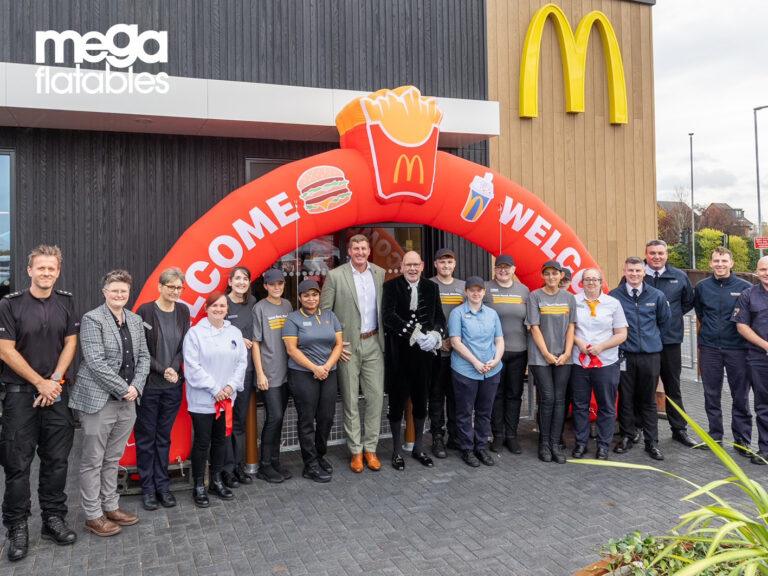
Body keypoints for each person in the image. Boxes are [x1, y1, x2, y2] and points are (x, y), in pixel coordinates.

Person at [0, 245, 79, 560]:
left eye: (51, 268)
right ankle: (17, 527)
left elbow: (70, 342)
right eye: (41, 268)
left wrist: (55, 381)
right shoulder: (10, 304)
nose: (46, 273)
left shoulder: (66, 302)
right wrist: (39, 382)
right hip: (20, 397)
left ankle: (53, 519)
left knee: (57, 461)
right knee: (17, 465)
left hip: (56, 395)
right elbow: (5, 350)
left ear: (58, 272)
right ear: (29, 270)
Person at [69, 270, 150, 536]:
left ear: (129, 293)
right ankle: (93, 515)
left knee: (113, 458)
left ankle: (111, 506)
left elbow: (144, 357)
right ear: (105, 292)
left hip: (128, 401)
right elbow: (95, 362)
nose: (119, 295)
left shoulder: (135, 320)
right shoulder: (92, 319)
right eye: (114, 290)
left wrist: (136, 387)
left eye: (123, 291)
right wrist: (124, 388)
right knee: (93, 460)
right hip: (99, 400)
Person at [320, 234, 385, 473]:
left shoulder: (379, 273)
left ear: (369, 250)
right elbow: (325, 314)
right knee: (350, 400)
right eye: (355, 248)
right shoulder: (335, 276)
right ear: (349, 251)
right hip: (347, 347)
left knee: (375, 398)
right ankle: (356, 451)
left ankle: (371, 448)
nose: (359, 252)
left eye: (363, 248)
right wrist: (335, 345)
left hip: (374, 342)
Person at [383, 251, 446, 470]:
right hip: (399, 356)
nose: (412, 268)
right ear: (401, 267)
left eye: (415, 265)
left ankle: (418, 447)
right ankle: (396, 451)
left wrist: (436, 335)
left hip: (424, 357)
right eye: (408, 265)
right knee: (396, 404)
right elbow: (388, 317)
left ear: (422, 266)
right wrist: (415, 334)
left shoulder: (431, 287)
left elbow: (439, 317)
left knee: (421, 401)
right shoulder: (391, 287)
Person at [183, 292, 247, 507]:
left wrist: (229, 387)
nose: (219, 309)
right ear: (206, 308)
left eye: (222, 306)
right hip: (203, 400)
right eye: (215, 306)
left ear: (227, 309)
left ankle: (216, 480)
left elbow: (242, 363)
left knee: (221, 441)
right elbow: (192, 366)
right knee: (202, 442)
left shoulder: (234, 332)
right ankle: (199, 485)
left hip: (226, 398)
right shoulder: (195, 333)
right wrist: (215, 389)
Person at [135, 267, 190, 512]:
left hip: (172, 386)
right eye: (171, 287)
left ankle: (163, 486)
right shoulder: (145, 311)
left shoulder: (183, 311)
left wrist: (174, 368)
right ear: (160, 287)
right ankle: (148, 488)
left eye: (179, 287)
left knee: (163, 437)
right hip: (150, 386)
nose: (176, 291)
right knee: (146, 437)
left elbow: (184, 345)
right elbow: (141, 350)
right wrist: (162, 369)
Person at [610, 257, 670, 461]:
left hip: (650, 356)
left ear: (644, 272)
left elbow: (664, 322)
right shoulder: (614, 296)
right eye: (630, 270)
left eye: (638, 270)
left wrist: (651, 341)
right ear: (624, 271)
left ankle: (652, 442)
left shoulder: (657, 295)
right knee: (625, 397)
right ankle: (627, 435)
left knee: (648, 399)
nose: (634, 274)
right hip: (624, 355)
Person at [283, 279, 344, 482]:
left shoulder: (329, 316)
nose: (311, 299)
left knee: (327, 417)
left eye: (315, 294)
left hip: (328, 372)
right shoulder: (293, 319)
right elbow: (291, 349)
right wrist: (314, 368)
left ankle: (319, 455)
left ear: (319, 296)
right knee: (307, 419)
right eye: (306, 295)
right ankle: (310, 464)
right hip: (303, 374)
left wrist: (326, 367)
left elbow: (338, 344)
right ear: (300, 298)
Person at [694, 247, 752, 454]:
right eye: (716, 261)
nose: (720, 264)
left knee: (740, 395)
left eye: (724, 261)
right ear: (711, 263)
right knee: (711, 394)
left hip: (738, 349)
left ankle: (742, 440)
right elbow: (700, 313)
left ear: (731, 263)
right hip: (710, 348)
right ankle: (715, 436)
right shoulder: (702, 287)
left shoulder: (745, 287)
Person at [570, 268, 627, 460]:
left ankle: (603, 445)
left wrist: (601, 346)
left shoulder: (613, 304)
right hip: (579, 362)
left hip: (606, 363)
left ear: (601, 282)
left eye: (595, 279)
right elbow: (568, 329)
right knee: (580, 405)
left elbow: (621, 334)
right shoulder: (573, 301)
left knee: (607, 405)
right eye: (587, 279)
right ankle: (581, 443)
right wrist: (579, 342)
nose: (591, 282)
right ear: (582, 282)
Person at [645, 239, 696, 447]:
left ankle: (679, 429)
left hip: (670, 341)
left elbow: (687, 302)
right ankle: (641, 429)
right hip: (644, 343)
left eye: (660, 253)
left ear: (666, 255)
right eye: (652, 253)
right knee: (644, 388)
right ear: (646, 255)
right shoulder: (637, 274)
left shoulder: (679, 276)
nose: (656, 257)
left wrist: (671, 318)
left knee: (673, 387)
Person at [449, 276, 504, 467]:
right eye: (472, 290)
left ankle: (481, 447)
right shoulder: (457, 313)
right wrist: (475, 362)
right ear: (466, 292)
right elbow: (455, 342)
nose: (475, 293)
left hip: (491, 370)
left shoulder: (492, 314)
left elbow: (499, 340)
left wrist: (496, 360)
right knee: (464, 411)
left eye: (479, 290)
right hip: (466, 370)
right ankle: (466, 448)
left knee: (484, 411)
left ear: (484, 292)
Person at [526, 260, 577, 464]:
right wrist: (546, 353)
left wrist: (567, 352)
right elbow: (534, 327)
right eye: (547, 274)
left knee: (559, 399)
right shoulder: (535, 296)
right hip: (540, 356)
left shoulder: (569, 298)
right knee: (547, 398)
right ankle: (544, 444)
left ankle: (555, 444)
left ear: (561, 276)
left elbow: (571, 327)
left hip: (564, 356)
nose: (551, 277)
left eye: (555, 274)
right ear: (542, 276)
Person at [484, 254, 529, 455]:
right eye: (499, 267)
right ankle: (498, 435)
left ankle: (511, 435)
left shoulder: (524, 291)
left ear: (514, 269)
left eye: (507, 267)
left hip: (519, 352)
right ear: (494, 269)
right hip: (494, 353)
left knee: (514, 394)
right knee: (496, 394)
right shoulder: (486, 288)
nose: (503, 270)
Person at [252, 269, 293, 483]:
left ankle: (275, 461)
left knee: (280, 418)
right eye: (272, 284)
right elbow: (255, 343)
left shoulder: (287, 305)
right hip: (269, 373)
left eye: (280, 283)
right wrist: (260, 373)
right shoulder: (259, 308)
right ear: (265, 286)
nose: (277, 287)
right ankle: (265, 465)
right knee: (274, 417)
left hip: (287, 371)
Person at [222, 266, 258, 488]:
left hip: (247, 371)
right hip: (226, 373)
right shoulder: (222, 303)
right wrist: (234, 338)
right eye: (237, 278)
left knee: (239, 422)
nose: (241, 282)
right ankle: (226, 470)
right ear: (230, 281)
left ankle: (238, 466)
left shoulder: (252, 302)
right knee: (225, 423)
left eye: (245, 278)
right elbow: (215, 332)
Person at [428, 247, 464, 458]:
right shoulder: (427, 286)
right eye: (442, 262)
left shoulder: (463, 287)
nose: (446, 265)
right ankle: (437, 437)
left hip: (459, 353)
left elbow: (469, 316)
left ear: (454, 264)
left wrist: (454, 341)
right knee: (436, 397)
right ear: (435, 264)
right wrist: (438, 341)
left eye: (449, 262)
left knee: (456, 396)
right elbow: (422, 317)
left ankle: (455, 436)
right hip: (435, 353)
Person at [732, 255, 768, 464]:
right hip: (759, 358)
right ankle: (765, 449)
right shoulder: (748, 295)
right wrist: (765, 345)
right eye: (763, 269)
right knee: (763, 405)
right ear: (756, 271)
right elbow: (741, 326)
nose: (766, 273)